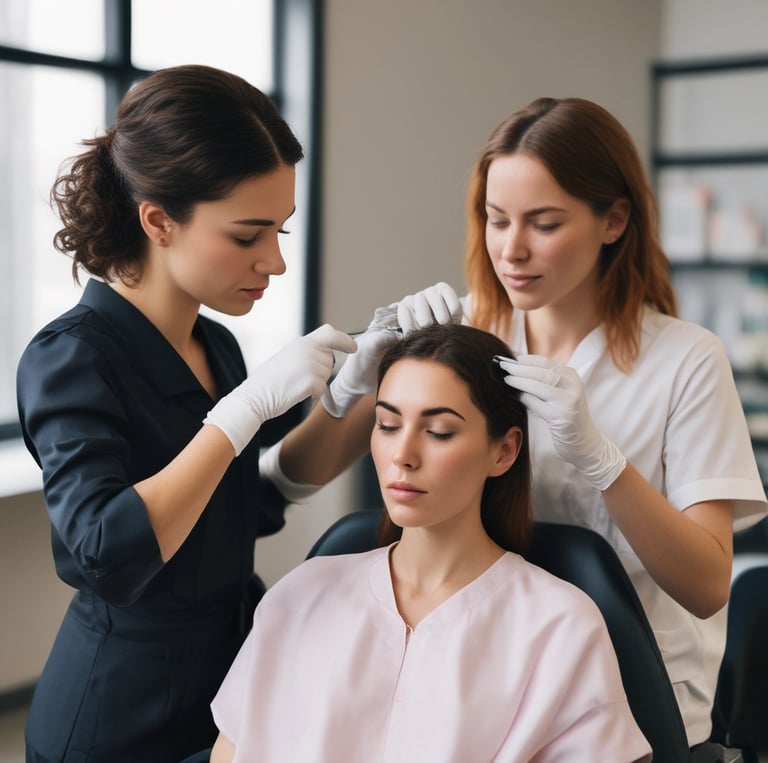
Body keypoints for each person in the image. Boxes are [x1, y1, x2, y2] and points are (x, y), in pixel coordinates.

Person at [16, 64, 460, 763]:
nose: (276, 261)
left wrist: (362, 386)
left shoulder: (211, 340)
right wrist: (240, 411)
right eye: (249, 235)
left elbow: (254, 496)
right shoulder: (71, 359)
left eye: (280, 230)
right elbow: (107, 551)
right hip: (117, 717)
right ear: (158, 220)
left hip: (229, 687)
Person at [462, 96, 768, 752]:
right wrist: (357, 386)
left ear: (614, 219)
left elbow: (709, 584)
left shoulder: (686, 359)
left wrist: (605, 464)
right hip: (490, 671)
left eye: (544, 223)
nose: (511, 249)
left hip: (635, 689)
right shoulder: (468, 336)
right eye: (496, 220)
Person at [208, 323, 652, 763]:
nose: (403, 454)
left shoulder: (560, 624)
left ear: (504, 451)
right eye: (387, 424)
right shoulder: (303, 594)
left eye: (439, 431)